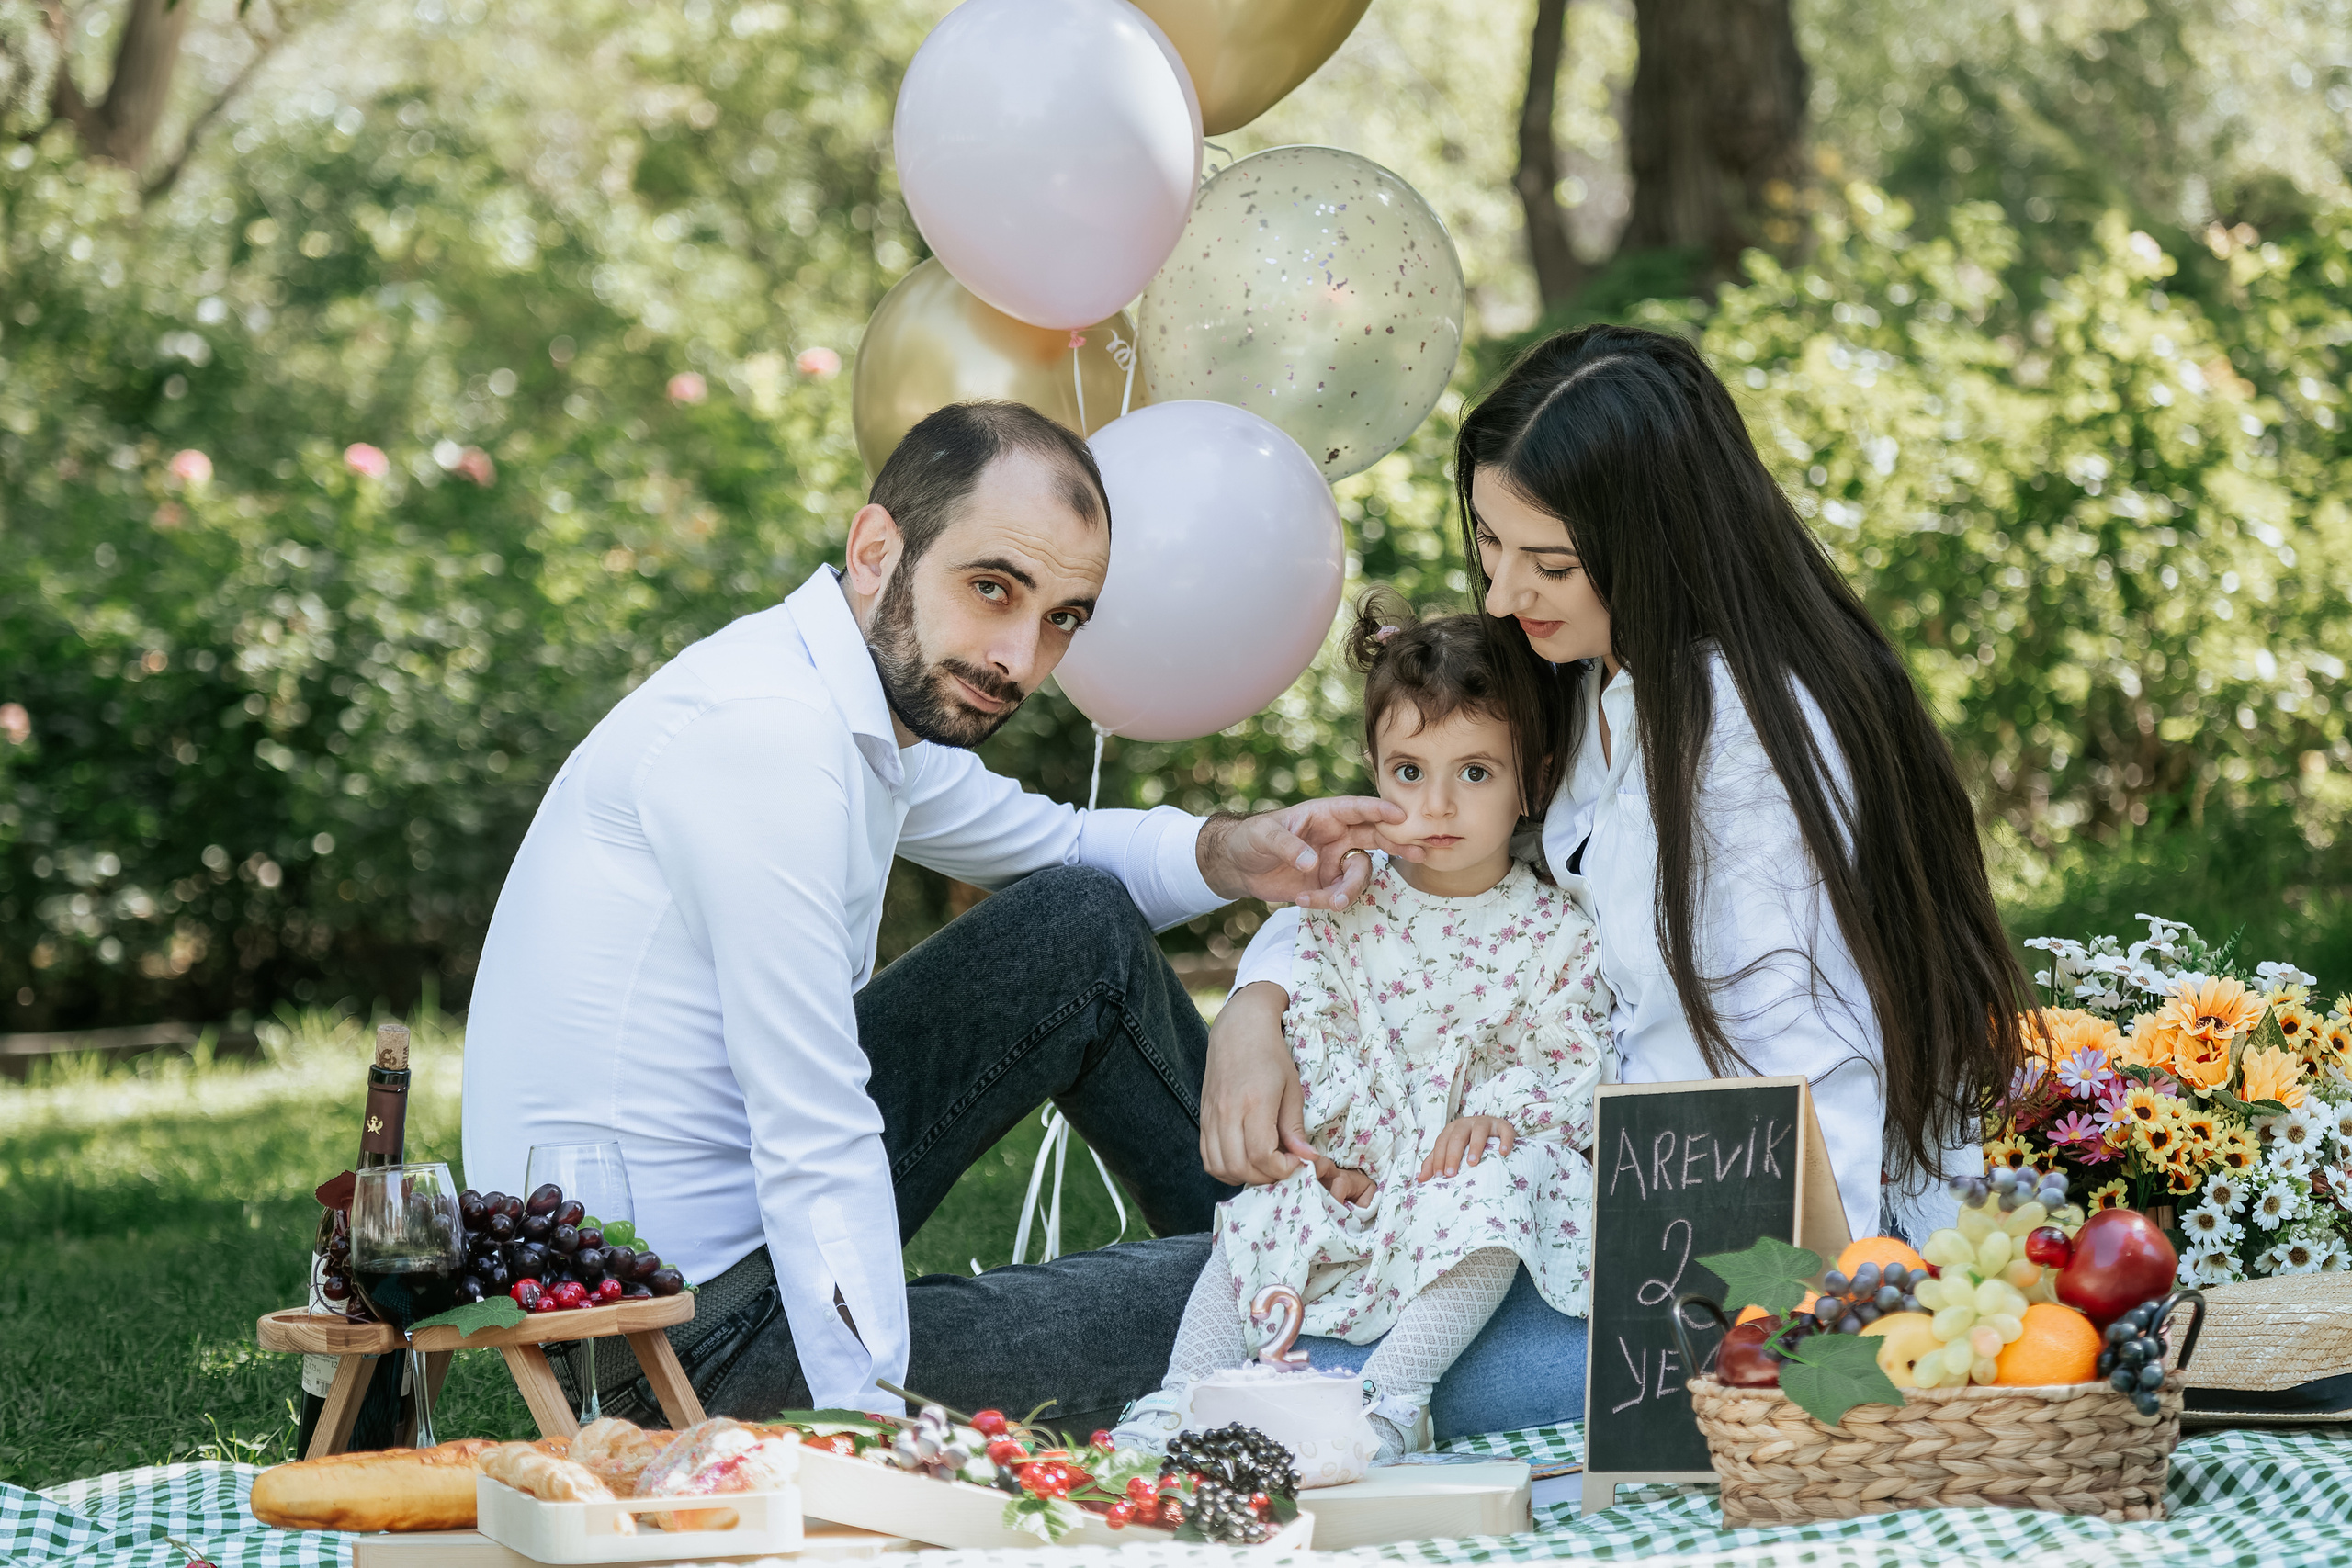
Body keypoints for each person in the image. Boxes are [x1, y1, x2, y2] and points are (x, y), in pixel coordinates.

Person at [459, 400, 1409, 1431]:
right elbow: (812, 1126)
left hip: (720, 1262)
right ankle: (1355, 1286)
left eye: (1062, 618)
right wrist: (863, 1434)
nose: (1018, 659)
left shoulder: (841, 695)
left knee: (1077, 927)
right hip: (669, 1352)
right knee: (1277, 1289)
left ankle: (1312, 1249)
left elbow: (1060, 849)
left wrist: (1233, 850)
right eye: (992, 587)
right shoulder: (763, 741)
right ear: (877, 549)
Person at [1210, 324, 2030, 1373]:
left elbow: (1804, 1097)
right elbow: (1439, 883)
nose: (1503, 596)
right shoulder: (1585, 672)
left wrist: (1803, 1348)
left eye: (1548, 563)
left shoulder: (1749, 741)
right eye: (1489, 542)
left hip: (1700, 1269)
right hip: (1505, 1187)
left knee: (1230, 1328)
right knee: (1230, 1252)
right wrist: (1259, 997)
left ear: (1658, 541)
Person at [1114, 592, 1612, 1459]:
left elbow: (1571, 1057)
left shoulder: (1555, 928)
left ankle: (1391, 1396)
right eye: (1409, 772)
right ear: (1376, 772)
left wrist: (1500, 1116)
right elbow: (1324, 1035)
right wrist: (1332, 1156)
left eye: (1476, 772)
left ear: (1532, 776)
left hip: (1464, 1171)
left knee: (1496, 1190)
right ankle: (1180, 1398)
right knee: (1261, 1213)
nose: (1437, 806)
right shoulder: (1348, 908)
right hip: (1364, 1169)